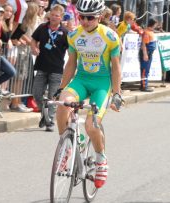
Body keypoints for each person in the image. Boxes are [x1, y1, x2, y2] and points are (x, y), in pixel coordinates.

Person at [55, 0, 123, 189]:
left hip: (102, 83)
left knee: (91, 126)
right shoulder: (74, 34)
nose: (85, 21)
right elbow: (71, 63)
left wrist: (117, 93)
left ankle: (101, 159)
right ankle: (67, 147)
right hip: (81, 80)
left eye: (90, 18)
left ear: (99, 16)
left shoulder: (109, 36)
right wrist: (62, 88)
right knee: (62, 105)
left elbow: (116, 67)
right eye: (81, 16)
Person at [31, 4, 68, 132]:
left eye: (56, 16)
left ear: (61, 17)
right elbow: (33, 39)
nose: (53, 17)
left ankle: (49, 121)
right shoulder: (42, 27)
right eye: (52, 15)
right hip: (41, 66)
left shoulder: (65, 32)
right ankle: (45, 115)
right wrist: (34, 47)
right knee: (36, 94)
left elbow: (71, 50)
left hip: (56, 69)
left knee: (52, 98)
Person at [139, 18, 157, 92]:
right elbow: (144, 44)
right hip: (147, 53)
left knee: (147, 70)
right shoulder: (147, 32)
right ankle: (144, 86)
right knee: (144, 70)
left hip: (149, 53)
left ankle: (145, 84)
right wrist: (145, 54)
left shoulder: (150, 32)